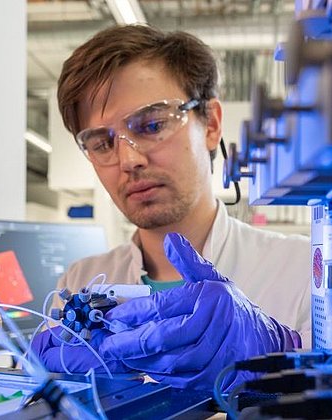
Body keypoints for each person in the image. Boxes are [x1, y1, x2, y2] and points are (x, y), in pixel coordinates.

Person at [32, 24, 311, 391]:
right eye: (101, 142)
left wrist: (279, 362)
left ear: (210, 125)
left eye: (151, 125)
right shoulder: (82, 279)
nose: (128, 159)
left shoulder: (303, 272)